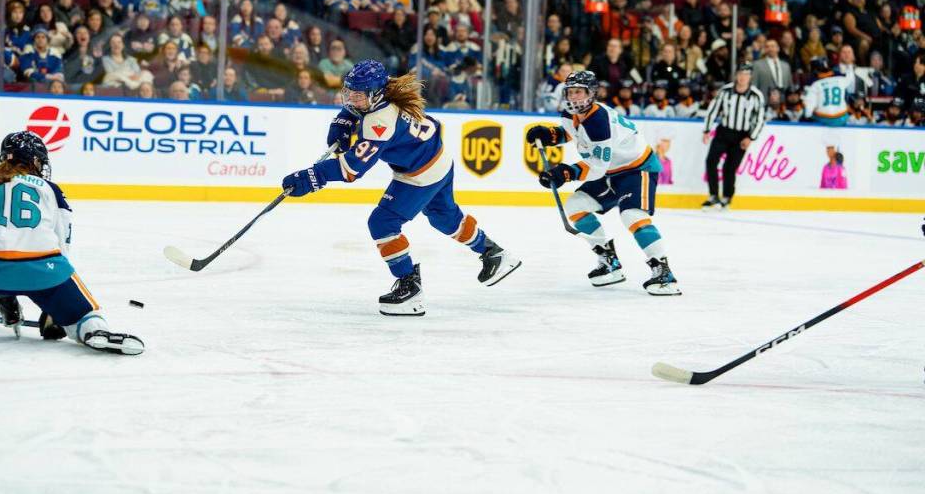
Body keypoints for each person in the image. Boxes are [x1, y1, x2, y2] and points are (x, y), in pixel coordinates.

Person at [280, 60, 521, 316]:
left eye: (357, 95)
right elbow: (356, 111)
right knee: (445, 219)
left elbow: (352, 169)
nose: (351, 98)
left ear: (374, 94)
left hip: (421, 174)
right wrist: (343, 121)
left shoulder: (380, 121)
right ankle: (493, 252)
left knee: (382, 223)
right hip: (438, 161)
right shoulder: (385, 96)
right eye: (349, 92)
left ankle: (410, 287)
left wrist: (312, 176)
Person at [0, 131, 143, 354]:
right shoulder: (50, 189)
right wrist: (55, 307)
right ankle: (93, 330)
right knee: (81, 309)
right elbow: (62, 249)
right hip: (42, 275)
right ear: (35, 160)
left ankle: (6, 299)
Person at [525, 71, 681, 296]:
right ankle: (609, 262)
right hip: (611, 170)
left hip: (637, 169)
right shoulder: (571, 113)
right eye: (570, 91)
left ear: (591, 94)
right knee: (575, 206)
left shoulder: (599, 121)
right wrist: (550, 135)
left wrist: (566, 173)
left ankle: (664, 272)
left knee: (632, 215)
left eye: (579, 91)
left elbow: (596, 166)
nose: (573, 96)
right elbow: (572, 133)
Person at [701, 64, 766, 210]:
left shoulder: (756, 95)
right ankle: (713, 196)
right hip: (724, 132)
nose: (743, 77)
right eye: (740, 74)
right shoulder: (725, 91)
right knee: (711, 161)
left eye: (746, 74)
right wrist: (706, 130)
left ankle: (726, 197)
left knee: (729, 168)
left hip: (741, 136)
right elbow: (713, 110)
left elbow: (760, 119)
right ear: (736, 75)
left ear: (750, 77)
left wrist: (750, 137)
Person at [803, 56, 854, 126]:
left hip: (824, 119)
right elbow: (850, 77)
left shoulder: (814, 84)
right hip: (841, 118)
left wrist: (806, 117)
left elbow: (808, 107)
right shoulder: (841, 78)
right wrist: (849, 65)